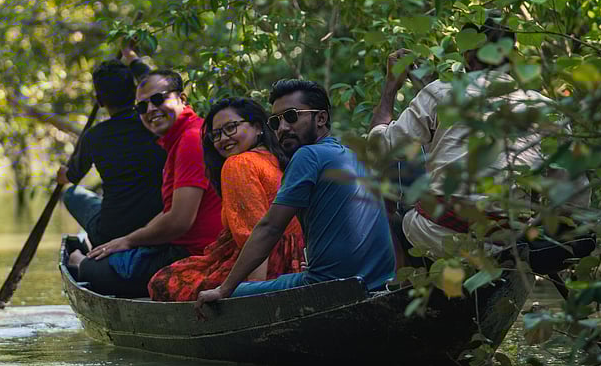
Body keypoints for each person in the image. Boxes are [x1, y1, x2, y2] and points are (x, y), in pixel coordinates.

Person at [367, 21, 592, 270]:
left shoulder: (441, 92)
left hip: (439, 235)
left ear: (466, 55)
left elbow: (378, 147)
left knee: (398, 218)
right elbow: (573, 200)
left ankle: (412, 292)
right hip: (508, 243)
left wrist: (390, 87)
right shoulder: (547, 109)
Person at [195, 79, 396, 313]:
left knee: (230, 294)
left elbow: (270, 228)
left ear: (321, 118)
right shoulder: (351, 155)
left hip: (329, 286)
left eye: (291, 116)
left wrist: (224, 289)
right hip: (376, 282)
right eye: (276, 121)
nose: (282, 128)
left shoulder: (308, 156)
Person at [69, 69, 223, 297]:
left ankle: (78, 262)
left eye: (158, 99)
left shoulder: (190, 139)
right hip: (178, 244)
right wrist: (130, 240)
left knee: (96, 269)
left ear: (182, 98)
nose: (150, 109)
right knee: (116, 255)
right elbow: (170, 212)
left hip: (193, 252)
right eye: (142, 106)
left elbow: (179, 221)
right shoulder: (178, 138)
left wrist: (129, 241)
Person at [148, 97, 305, 301]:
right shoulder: (280, 159)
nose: (223, 139)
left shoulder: (238, 164)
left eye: (231, 128)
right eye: (216, 134)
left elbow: (255, 236)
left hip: (259, 264)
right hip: (294, 261)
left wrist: (252, 294)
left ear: (258, 127)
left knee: (162, 282)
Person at [58, 59, 166, 248]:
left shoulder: (93, 136)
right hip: (157, 224)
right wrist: (132, 59)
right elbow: (158, 84)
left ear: (99, 101)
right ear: (135, 93)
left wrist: (62, 175)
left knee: (71, 194)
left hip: (111, 232)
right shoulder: (154, 125)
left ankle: (79, 254)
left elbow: (73, 176)